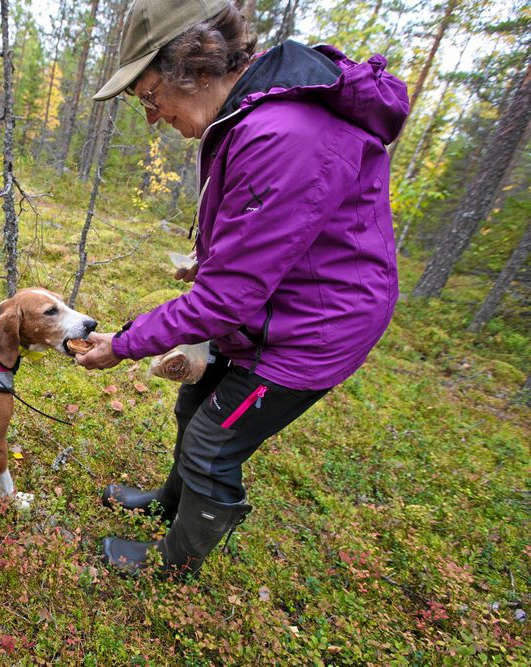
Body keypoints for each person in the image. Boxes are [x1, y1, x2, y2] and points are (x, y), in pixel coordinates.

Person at [75, 0, 408, 577]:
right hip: (280, 304)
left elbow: (228, 297)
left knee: (213, 442)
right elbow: (269, 239)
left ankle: (173, 566)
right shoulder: (250, 117)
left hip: (312, 330)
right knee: (195, 402)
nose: (152, 116)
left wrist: (125, 344)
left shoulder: (282, 133)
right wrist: (211, 261)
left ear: (194, 65)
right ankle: (170, 506)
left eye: (151, 96)